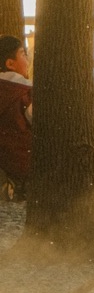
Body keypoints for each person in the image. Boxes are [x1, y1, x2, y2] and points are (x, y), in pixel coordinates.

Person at [0, 35, 32, 195]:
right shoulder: (25, 92)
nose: (28, 59)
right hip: (21, 163)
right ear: (10, 64)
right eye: (23, 54)